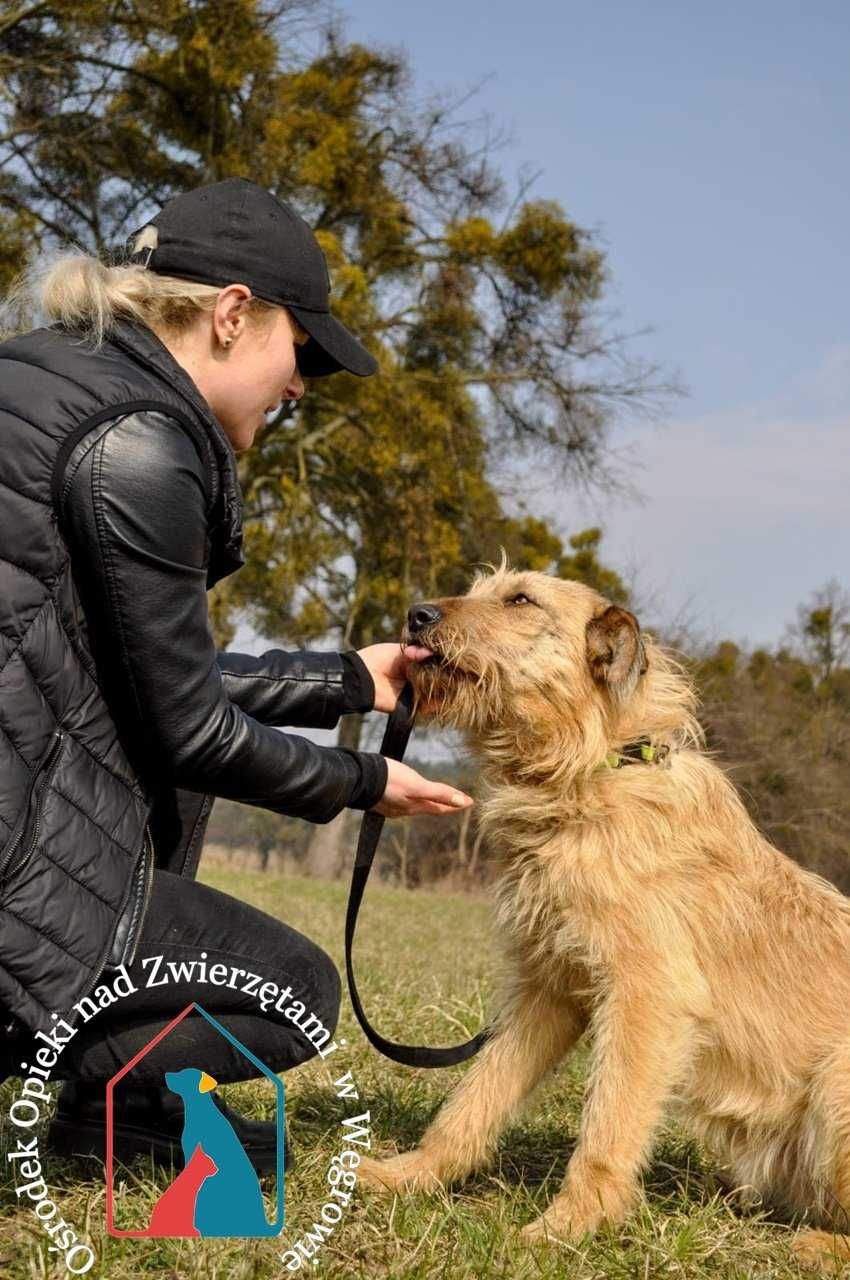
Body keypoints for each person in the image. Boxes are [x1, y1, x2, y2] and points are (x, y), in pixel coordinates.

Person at [0, 177, 473, 1173]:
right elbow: (190, 732)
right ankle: (104, 1119)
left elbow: (140, 672)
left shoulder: (48, 381)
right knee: (289, 989)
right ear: (229, 314)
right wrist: (365, 782)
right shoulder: (139, 443)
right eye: (300, 353)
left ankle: (118, 1118)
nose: (301, 387)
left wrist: (346, 681)